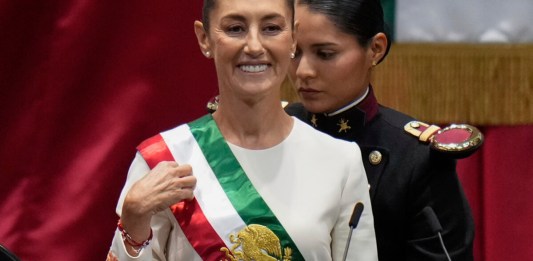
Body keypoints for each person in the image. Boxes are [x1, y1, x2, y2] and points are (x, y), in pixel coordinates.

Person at [107, 0, 378, 260]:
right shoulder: (164, 158)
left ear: (293, 38)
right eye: (235, 28)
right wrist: (134, 218)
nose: (254, 45)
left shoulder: (340, 161)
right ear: (204, 38)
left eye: (271, 28)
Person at [284, 0, 475, 260]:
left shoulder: (415, 158)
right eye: (294, 52)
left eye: (325, 54)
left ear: (375, 49)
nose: (303, 71)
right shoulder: (276, 129)